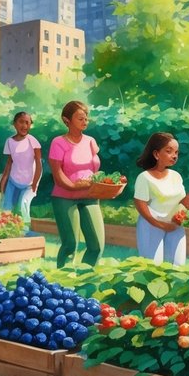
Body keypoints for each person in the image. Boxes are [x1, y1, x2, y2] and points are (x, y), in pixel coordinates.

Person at [48, 100, 105, 267]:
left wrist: (100, 184)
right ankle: (61, 283)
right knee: (70, 245)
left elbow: (95, 170)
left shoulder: (90, 141)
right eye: (80, 118)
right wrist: (75, 186)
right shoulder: (58, 143)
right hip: (65, 197)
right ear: (67, 121)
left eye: (86, 118)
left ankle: (84, 281)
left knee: (97, 246)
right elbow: (57, 175)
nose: (85, 121)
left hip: (90, 196)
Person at [132, 132, 189, 265]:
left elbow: (180, 202)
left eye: (176, 152)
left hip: (175, 225)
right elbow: (141, 205)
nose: (174, 156)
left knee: (178, 265)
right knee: (152, 266)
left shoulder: (176, 176)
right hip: (151, 225)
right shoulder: (144, 178)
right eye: (169, 151)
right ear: (156, 154)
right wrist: (160, 224)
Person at [0, 111, 42, 229]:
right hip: (13, 181)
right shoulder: (10, 142)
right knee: (6, 208)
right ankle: (5, 232)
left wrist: (35, 182)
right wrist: (3, 181)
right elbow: (9, 163)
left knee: (23, 205)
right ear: (15, 124)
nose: (24, 126)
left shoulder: (32, 141)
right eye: (21, 122)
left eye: (27, 123)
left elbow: (38, 164)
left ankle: (26, 231)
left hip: (29, 183)